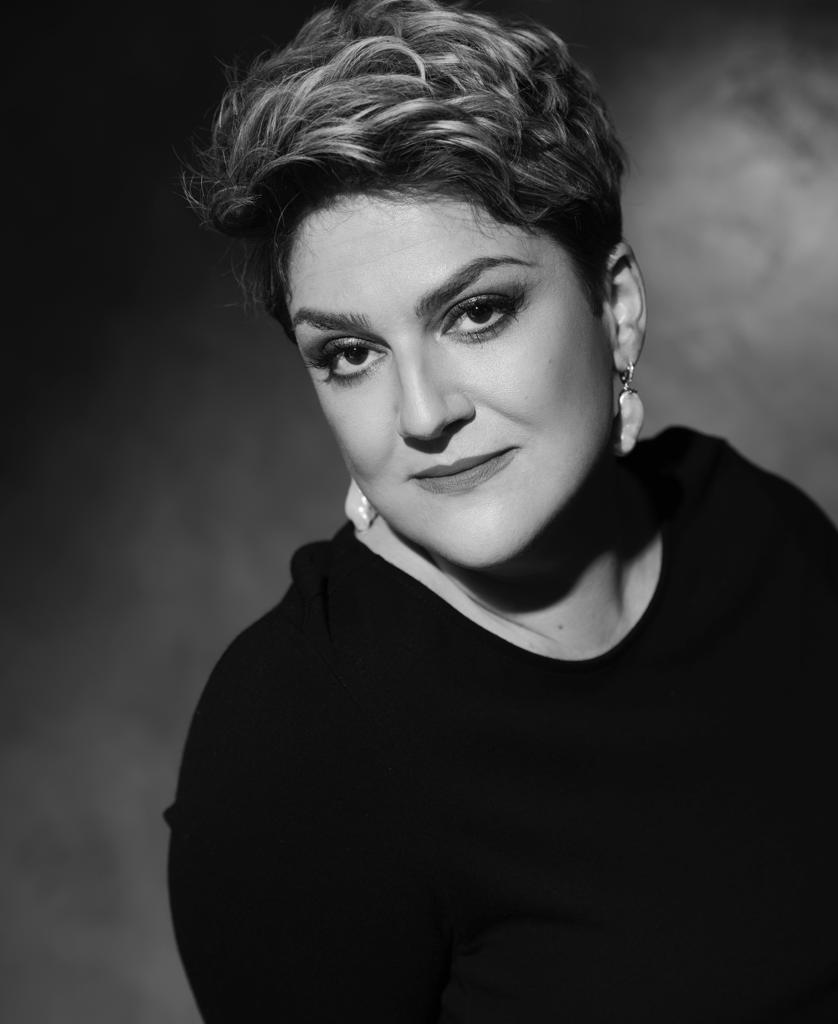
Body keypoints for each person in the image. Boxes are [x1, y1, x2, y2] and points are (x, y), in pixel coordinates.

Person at [165, 0, 838, 1020]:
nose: (422, 414)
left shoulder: (757, 531)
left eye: (476, 313)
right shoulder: (291, 745)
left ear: (616, 310)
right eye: (349, 354)